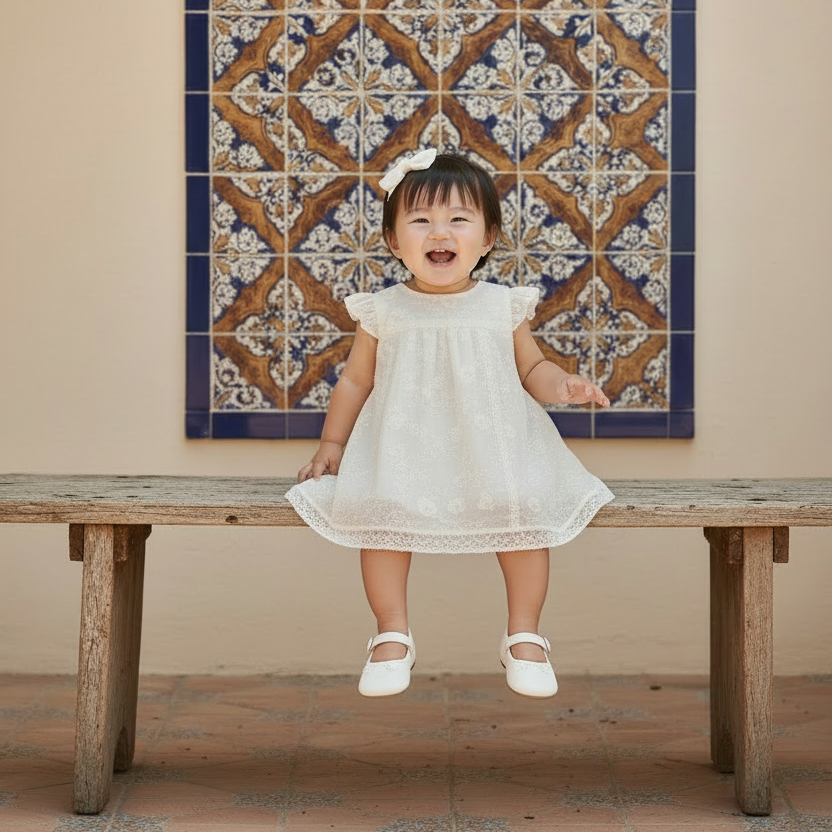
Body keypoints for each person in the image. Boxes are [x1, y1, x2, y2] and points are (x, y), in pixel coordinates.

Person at [285, 149, 614, 700]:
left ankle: (525, 634)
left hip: (495, 449)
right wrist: (333, 445)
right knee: (380, 516)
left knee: (523, 514)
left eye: (459, 219)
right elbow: (354, 382)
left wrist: (564, 385)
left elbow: (532, 368)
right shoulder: (383, 310)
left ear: (486, 240)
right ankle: (391, 633)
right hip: (405, 451)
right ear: (394, 241)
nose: (440, 231)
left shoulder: (502, 305)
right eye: (420, 220)